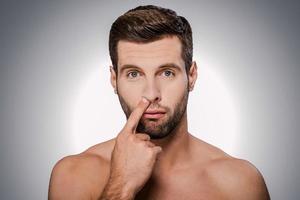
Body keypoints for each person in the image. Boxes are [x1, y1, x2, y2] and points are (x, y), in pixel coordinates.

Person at [48, 5, 270, 200]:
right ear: (114, 80)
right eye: (134, 74)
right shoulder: (74, 176)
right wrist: (121, 186)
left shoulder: (240, 183)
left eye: (167, 73)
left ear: (191, 76)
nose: (152, 93)